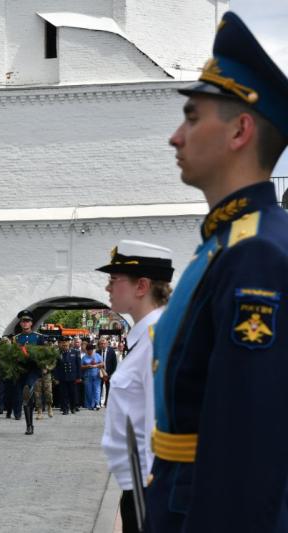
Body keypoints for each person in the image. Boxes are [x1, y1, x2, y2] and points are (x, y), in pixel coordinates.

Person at [147, 12, 288, 532]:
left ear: (240, 130)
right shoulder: (229, 242)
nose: (174, 137)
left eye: (190, 116)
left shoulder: (256, 254)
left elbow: (247, 444)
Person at [97, 240, 173, 533]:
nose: (108, 288)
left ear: (141, 286)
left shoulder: (157, 340)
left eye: (114, 280)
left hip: (148, 487)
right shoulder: (144, 338)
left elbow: (160, 425)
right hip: (138, 485)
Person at [14, 310, 46, 434]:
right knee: (26, 397)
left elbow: (44, 355)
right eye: (23, 321)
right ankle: (29, 424)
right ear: (21, 324)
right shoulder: (16, 338)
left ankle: (29, 426)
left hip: (33, 370)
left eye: (27, 321)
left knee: (27, 391)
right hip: (21, 370)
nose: (25, 323)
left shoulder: (38, 337)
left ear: (31, 323)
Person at [54, 337, 80, 414]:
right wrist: (56, 377)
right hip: (63, 377)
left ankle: (73, 408)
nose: (64, 344)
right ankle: (65, 409)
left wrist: (79, 376)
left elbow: (78, 365)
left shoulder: (75, 352)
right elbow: (56, 367)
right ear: (61, 344)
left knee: (73, 393)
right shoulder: (58, 353)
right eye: (63, 342)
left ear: (69, 343)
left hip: (72, 376)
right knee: (63, 394)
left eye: (66, 342)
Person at [80, 343, 103, 411]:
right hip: (87, 376)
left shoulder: (97, 355)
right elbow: (81, 366)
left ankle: (97, 403)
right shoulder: (84, 357)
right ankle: (90, 405)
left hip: (96, 375)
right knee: (88, 390)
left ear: (93, 350)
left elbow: (102, 363)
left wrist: (96, 365)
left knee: (97, 390)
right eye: (89, 350)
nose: (90, 351)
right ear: (86, 350)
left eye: (91, 350)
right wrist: (87, 366)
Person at [97, 338, 117, 407]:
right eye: (101, 344)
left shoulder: (111, 352)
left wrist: (111, 374)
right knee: (99, 388)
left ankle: (107, 403)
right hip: (100, 373)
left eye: (104, 344)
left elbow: (114, 364)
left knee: (108, 388)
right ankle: (98, 402)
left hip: (109, 373)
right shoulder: (97, 352)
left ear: (107, 344)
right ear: (99, 345)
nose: (103, 345)